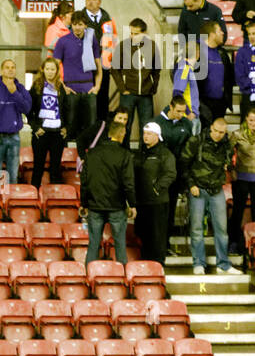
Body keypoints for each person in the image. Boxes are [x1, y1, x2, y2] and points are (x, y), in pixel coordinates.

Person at [180, 116, 233, 275]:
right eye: (216, 131)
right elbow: (183, 163)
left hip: (216, 189)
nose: (218, 134)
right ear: (211, 128)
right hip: (198, 188)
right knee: (196, 228)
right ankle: (198, 263)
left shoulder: (226, 144)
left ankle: (223, 263)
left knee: (222, 230)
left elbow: (228, 161)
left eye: (221, 132)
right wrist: (191, 185)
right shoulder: (196, 141)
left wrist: (228, 163)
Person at [80, 121, 137, 265]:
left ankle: (90, 277)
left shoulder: (92, 153)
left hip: (94, 205)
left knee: (93, 244)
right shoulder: (125, 155)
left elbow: (85, 181)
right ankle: (122, 279)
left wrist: (84, 203)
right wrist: (132, 204)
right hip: (117, 206)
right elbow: (128, 183)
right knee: (120, 245)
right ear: (121, 134)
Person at [228, 105, 255, 259]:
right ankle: (233, 243)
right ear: (246, 118)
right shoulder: (237, 134)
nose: (254, 123)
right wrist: (231, 168)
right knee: (238, 211)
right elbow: (228, 153)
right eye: (251, 120)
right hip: (241, 177)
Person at [52, 10, 102, 143]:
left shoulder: (92, 40)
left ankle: (89, 154)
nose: (77, 27)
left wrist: (97, 86)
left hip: (88, 88)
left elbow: (98, 66)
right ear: (71, 25)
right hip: (70, 88)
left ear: (85, 25)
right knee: (70, 124)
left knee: (91, 125)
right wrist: (63, 87)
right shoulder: (63, 41)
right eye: (74, 24)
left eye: (80, 24)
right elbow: (54, 67)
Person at [0, 58, 33, 186]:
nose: (10, 70)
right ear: (2, 70)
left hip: (14, 137)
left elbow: (27, 109)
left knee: (13, 176)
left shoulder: (20, 89)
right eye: (7, 67)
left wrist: (14, 93)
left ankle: (10, 204)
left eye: (13, 67)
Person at [113, 18, 161, 145]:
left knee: (146, 128)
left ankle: (143, 156)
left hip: (146, 94)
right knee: (124, 127)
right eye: (131, 33)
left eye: (136, 33)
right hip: (128, 93)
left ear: (144, 33)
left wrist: (153, 87)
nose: (133, 36)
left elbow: (157, 69)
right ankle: (124, 153)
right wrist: (122, 89)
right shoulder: (123, 46)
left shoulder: (152, 46)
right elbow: (114, 69)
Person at [134, 122, 177, 264]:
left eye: (149, 134)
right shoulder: (140, 153)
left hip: (157, 202)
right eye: (144, 133)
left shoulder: (165, 153)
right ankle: (146, 265)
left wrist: (156, 188)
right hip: (142, 201)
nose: (145, 136)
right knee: (143, 235)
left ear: (157, 136)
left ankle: (158, 265)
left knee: (157, 236)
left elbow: (170, 174)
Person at [157, 96, 194, 235]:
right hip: (162, 173)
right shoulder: (158, 123)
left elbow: (190, 147)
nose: (180, 115)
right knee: (162, 208)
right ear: (170, 107)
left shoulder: (186, 124)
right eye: (178, 111)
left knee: (172, 205)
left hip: (179, 171)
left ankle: (170, 237)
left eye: (183, 111)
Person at [28, 58, 68, 186]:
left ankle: (55, 200)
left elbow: (67, 110)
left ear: (57, 71)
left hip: (57, 134)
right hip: (41, 133)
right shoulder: (36, 86)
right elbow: (28, 110)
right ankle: (35, 197)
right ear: (43, 70)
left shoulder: (61, 87)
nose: (50, 72)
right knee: (38, 168)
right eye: (47, 69)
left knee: (55, 169)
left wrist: (66, 128)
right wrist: (35, 127)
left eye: (53, 69)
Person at [81, 0, 117, 116]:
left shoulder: (108, 19)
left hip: (104, 65)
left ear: (99, 2)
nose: (91, 2)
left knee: (102, 98)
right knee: (87, 98)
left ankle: (102, 128)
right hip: (85, 66)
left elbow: (113, 40)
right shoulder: (80, 19)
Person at [197, 21, 231, 125]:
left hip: (220, 104)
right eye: (219, 31)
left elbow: (229, 78)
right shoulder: (195, 49)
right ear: (212, 35)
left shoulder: (223, 53)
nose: (223, 33)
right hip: (201, 104)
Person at [171, 37, 201, 128]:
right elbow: (177, 93)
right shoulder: (184, 68)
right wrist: (188, 112)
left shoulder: (187, 68)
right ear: (197, 53)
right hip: (187, 118)